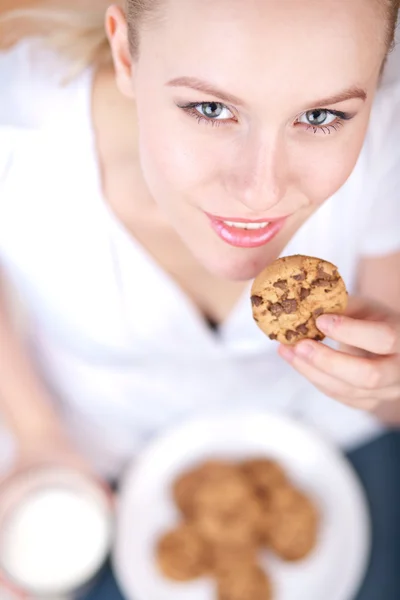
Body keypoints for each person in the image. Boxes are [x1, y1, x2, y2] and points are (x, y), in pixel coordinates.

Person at [0, 0, 399, 483]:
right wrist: (38, 434)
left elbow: (388, 402)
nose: (261, 193)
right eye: (211, 109)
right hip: (81, 459)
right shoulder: (16, 135)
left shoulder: (387, 138)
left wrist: (385, 385)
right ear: (126, 53)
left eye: (319, 117)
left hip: (320, 453)